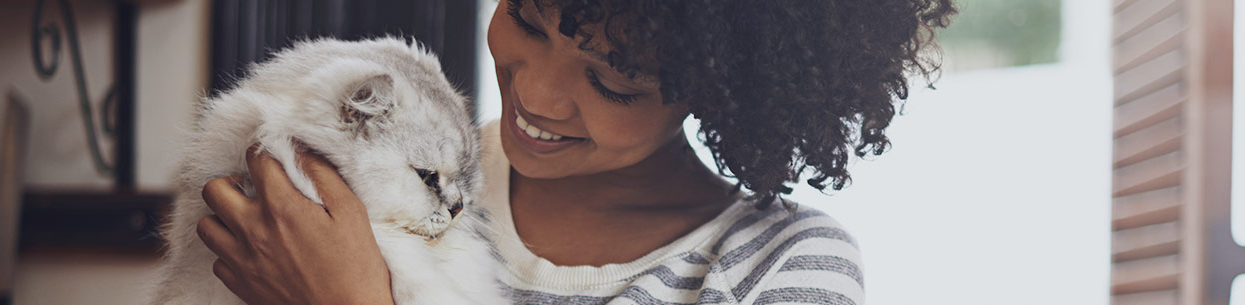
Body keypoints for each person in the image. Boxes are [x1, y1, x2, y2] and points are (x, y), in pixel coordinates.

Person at [193, 0, 955, 304]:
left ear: (718, 87)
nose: (540, 96)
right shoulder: (366, 174)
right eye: (526, 19)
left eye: (612, 81)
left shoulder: (782, 267)